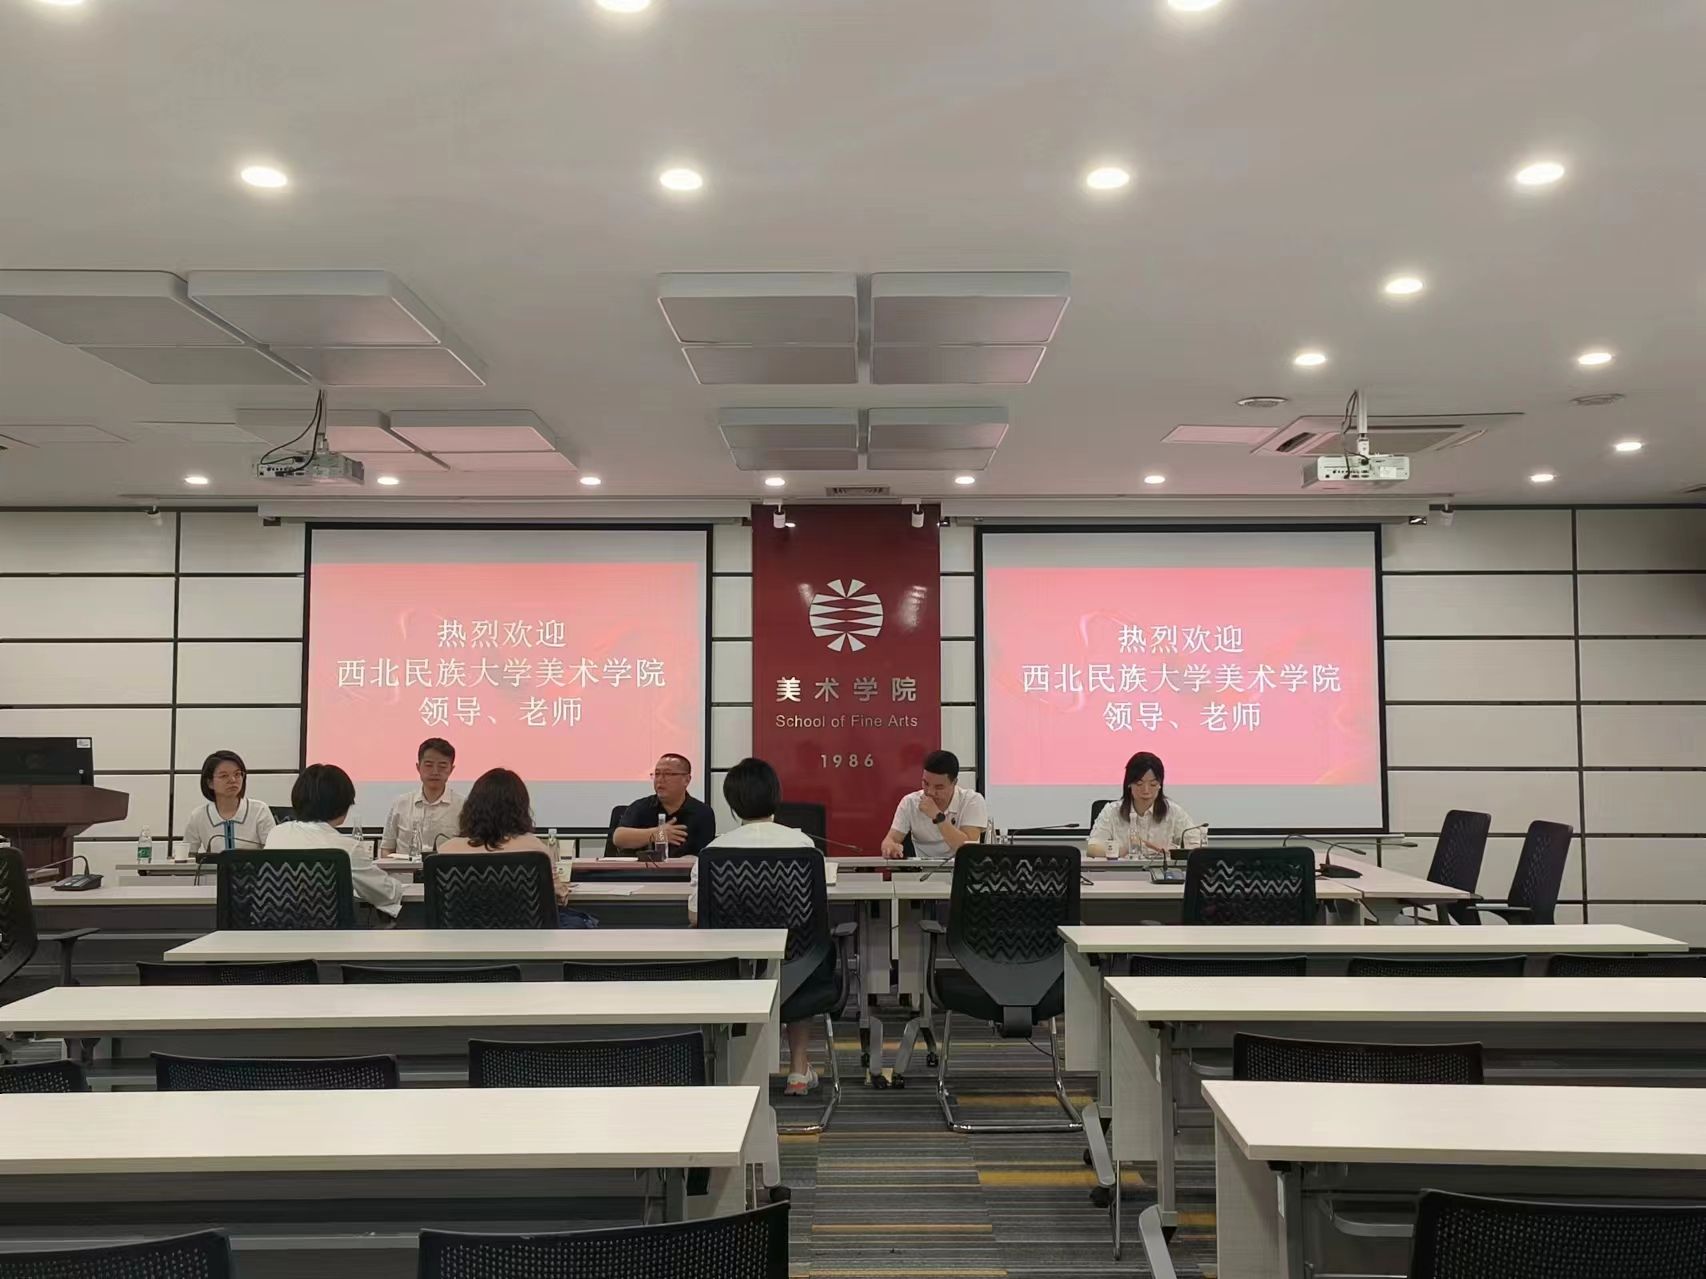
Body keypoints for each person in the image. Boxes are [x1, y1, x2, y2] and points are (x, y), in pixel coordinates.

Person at [689, 758, 824, 1095]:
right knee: (805, 962)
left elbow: (696, 916)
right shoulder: (803, 846)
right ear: (776, 797)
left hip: (732, 966)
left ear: (732, 804)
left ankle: (735, 1070)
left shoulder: (713, 852)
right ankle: (797, 1070)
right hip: (797, 963)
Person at [439, 767, 595, 928]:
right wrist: (563, 891)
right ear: (520, 809)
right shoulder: (535, 849)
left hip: (462, 939)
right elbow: (557, 896)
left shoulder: (447, 850)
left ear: (471, 807)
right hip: (527, 938)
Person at [266, 763, 405, 920]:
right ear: (343, 804)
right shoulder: (346, 849)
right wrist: (400, 886)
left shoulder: (277, 833)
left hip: (273, 930)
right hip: (331, 933)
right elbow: (386, 893)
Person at [1086, 751, 1204, 859]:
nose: (1146, 790)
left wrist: (1171, 852)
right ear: (1129, 784)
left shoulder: (1173, 812)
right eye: (1139, 784)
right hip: (1122, 873)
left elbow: (1196, 847)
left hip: (1163, 871)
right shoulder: (1112, 812)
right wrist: (1124, 850)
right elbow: (1092, 849)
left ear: (1160, 785)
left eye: (1153, 784)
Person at [880, 749, 987, 859]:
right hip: (922, 868)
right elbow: (890, 840)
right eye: (926, 783)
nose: (930, 792)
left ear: (954, 782)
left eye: (939, 787)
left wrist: (937, 816)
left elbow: (968, 850)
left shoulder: (972, 800)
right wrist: (890, 848)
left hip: (962, 867)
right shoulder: (910, 802)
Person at [610, 753, 717, 859]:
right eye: (657, 774)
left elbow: (704, 854)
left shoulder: (702, 812)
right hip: (641, 869)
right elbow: (618, 838)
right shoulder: (641, 807)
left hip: (683, 869)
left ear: (687, 780)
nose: (660, 779)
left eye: (668, 774)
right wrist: (658, 834)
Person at [379, 737, 464, 858]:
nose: (435, 771)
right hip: (403, 870)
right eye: (429, 765)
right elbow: (387, 848)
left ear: (451, 769)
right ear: (418, 767)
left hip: (445, 870)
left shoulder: (463, 807)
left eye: (442, 766)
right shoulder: (401, 804)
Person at [181, 750, 275, 856]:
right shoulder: (198, 816)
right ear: (210, 783)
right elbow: (187, 855)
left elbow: (274, 854)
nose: (233, 780)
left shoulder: (259, 810)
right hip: (213, 867)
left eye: (237, 774)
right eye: (224, 776)